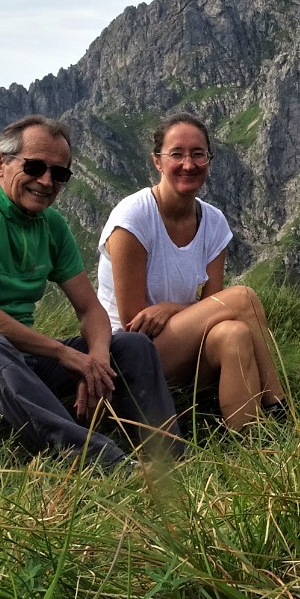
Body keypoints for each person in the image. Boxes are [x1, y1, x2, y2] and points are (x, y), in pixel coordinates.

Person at [0, 115, 181, 470]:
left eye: (60, 173)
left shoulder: (52, 226)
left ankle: (170, 458)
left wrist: (95, 362)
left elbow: (90, 309)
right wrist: (66, 356)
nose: (46, 181)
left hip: (18, 357)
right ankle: (103, 463)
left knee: (131, 345)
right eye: (35, 167)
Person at [97, 113, 286, 432]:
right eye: (177, 154)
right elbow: (134, 322)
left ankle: (252, 443)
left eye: (198, 154)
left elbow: (216, 310)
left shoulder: (213, 223)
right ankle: (281, 410)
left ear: (209, 160)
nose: (189, 163)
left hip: (179, 348)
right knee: (244, 298)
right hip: (130, 356)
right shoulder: (133, 218)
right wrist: (192, 311)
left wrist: (173, 308)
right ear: (157, 161)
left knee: (234, 333)